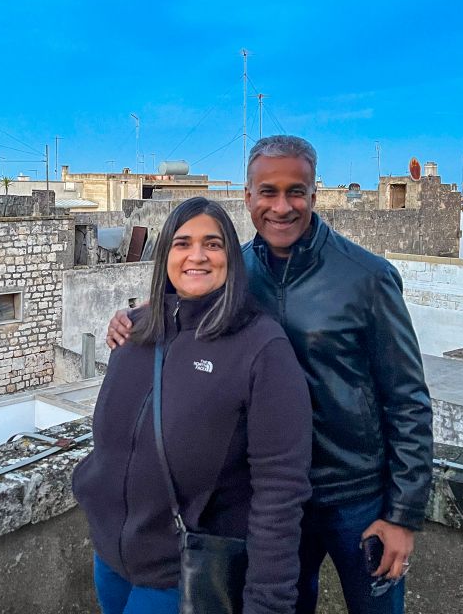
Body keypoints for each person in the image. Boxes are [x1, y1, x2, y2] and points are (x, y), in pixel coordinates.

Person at [108, 136, 433, 614]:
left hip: (354, 496)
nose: (281, 207)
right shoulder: (234, 271)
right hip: (270, 502)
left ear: (314, 195)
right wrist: (128, 321)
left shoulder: (367, 278)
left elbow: (407, 400)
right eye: (268, 192)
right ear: (248, 196)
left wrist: (403, 515)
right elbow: (181, 316)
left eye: (295, 192)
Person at [74, 196, 313, 614]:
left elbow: (280, 491)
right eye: (182, 243)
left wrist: (268, 602)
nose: (197, 256)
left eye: (212, 244)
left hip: (182, 575)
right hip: (110, 561)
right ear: (165, 255)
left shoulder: (261, 347)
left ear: (230, 258)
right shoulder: (133, 331)